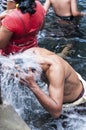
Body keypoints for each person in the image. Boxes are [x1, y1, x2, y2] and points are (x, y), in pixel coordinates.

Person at [18, 47, 86, 118]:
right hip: (67, 82)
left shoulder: (55, 70)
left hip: (77, 103)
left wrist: (32, 85)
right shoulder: (32, 52)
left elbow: (56, 113)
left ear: (34, 70)